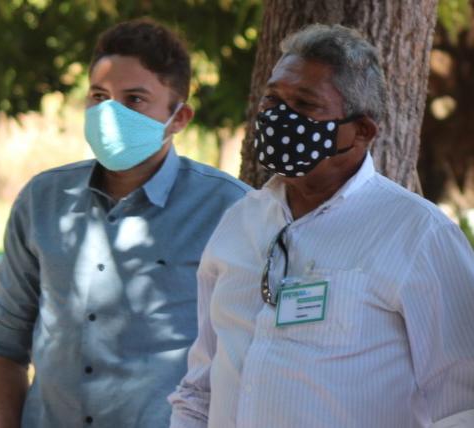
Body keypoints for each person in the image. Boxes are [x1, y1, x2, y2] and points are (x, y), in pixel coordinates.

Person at [169, 24, 474, 428]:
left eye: (304, 104)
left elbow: (464, 406)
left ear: (361, 131)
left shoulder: (418, 235)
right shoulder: (240, 221)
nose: (278, 117)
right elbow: (199, 390)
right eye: (272, 99)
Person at [0, 18, 250, 428]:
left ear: (179, 117)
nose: (110, 114)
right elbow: (5, 340)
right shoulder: (42, 200)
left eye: (134, 99)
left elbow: (253, 352)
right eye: (99, 96)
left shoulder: (229, 209)